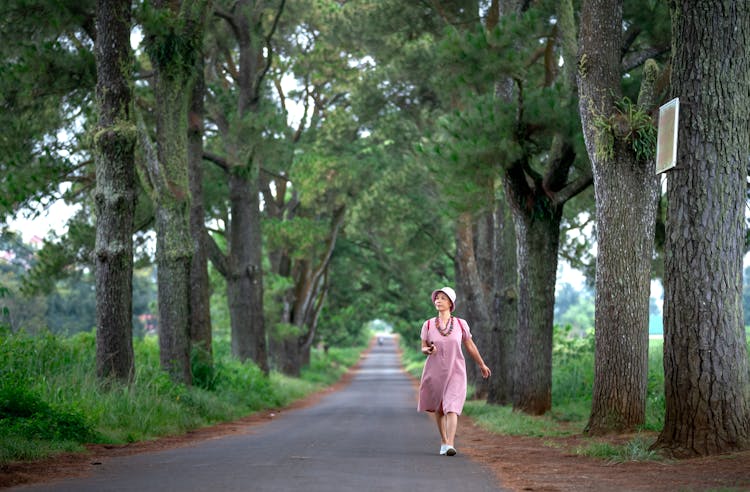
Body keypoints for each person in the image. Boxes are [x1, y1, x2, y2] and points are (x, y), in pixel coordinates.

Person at [417, 286, 491, 456]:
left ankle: (450, 444)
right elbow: (423, 347)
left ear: (450, 303)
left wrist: (481, 364)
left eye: (443, 298)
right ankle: (443, 441)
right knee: (440, 408)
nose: (438, 301)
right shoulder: (428, 324)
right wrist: (427, 350)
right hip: (435, 371)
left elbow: (470, 345)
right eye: (437, 298)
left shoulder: (460, 324)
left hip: (456, 370)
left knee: (452, 407)